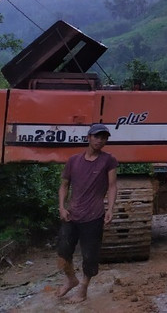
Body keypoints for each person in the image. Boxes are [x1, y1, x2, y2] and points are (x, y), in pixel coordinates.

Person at [56, 123, 118, 303]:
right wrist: (61, 207)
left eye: (104, 137)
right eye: (97, 136)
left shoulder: (108, 160)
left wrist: (110, 209)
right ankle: (71, 279)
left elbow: (112, 186)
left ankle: (83, 288)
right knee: (62, 252)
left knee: (90, 255)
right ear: (88, 137)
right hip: (72, 214)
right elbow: (64, 185)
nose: (100, 140)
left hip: (94, 216)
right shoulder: (74, 160)